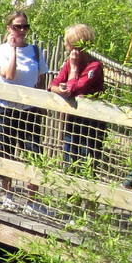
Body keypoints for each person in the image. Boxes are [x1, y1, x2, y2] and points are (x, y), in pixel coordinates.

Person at [0, 10, 47, 167]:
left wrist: (41, 103)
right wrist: (13, 49)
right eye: (17, 27)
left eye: (25, 27)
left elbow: (41, 78)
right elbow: (9, 75)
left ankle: (32, 191)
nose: (22, 30)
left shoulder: (35, 51)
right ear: (9, 28)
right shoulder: (1, 51)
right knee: (6, 152)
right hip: (6, 109)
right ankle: (7, 190)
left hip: (29, 110)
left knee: (34, 154)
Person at [50, 24, 106, 164]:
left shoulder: (94, 66)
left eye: (67, 42)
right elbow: (53, 84)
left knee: (86, 160)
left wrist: (74, 69)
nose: (64, 44)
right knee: (69, 158)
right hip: (74, 118)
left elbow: (74, 89)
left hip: (91, 121)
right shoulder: (69, 63)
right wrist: (59, 89)